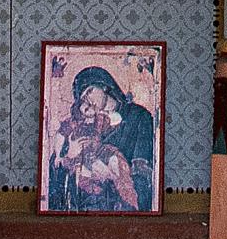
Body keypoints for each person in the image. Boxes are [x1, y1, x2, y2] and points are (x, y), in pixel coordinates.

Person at [45, 61, 159, 211]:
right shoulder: (83, 126)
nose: (88, 100)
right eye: (83, 99)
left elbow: (145, 178)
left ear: (104, 85)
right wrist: (69, 154)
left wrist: (111, 177)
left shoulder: (138, 116)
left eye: (89, 91)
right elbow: (54, 173)